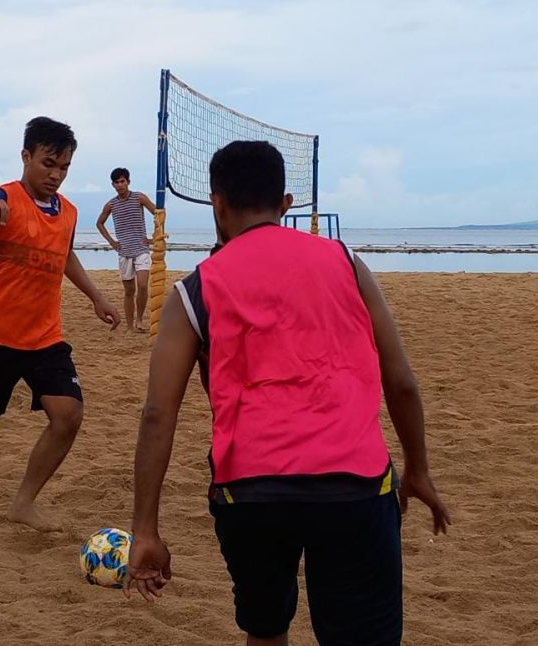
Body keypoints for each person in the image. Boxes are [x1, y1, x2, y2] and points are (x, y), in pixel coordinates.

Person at [124, 141, 451, 645]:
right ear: (287, 203)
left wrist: (145, 529)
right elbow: (402, 381)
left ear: (216, 203)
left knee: (267, 629)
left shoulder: (196, 288)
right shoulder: (346, 262)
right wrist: (419, 468)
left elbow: (156, 415)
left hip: (252, 492)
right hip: (355, 484)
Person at [0, 116, 121, 535]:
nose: (55, 175)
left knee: (69, 415)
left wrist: (96, 297)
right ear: (26, 156)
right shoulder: (2, 197)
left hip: (45, 337)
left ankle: (23, 502)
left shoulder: (70, 212)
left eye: (63, 168)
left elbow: (65, 256)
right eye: (48, 163)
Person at [95, 167, 156, 331]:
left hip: (141, 248)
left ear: (128, 182)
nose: (120, 185)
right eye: (117, 182)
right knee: (129, 290)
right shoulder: (111, 205)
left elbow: (158, 213)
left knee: (143, 285)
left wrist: (155, 237)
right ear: (113, 185)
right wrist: (112, 242)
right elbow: (99, 223)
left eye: (123, 181)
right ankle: (130, 326)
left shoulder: (139, 198)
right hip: (124, 251)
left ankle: (140, 319)